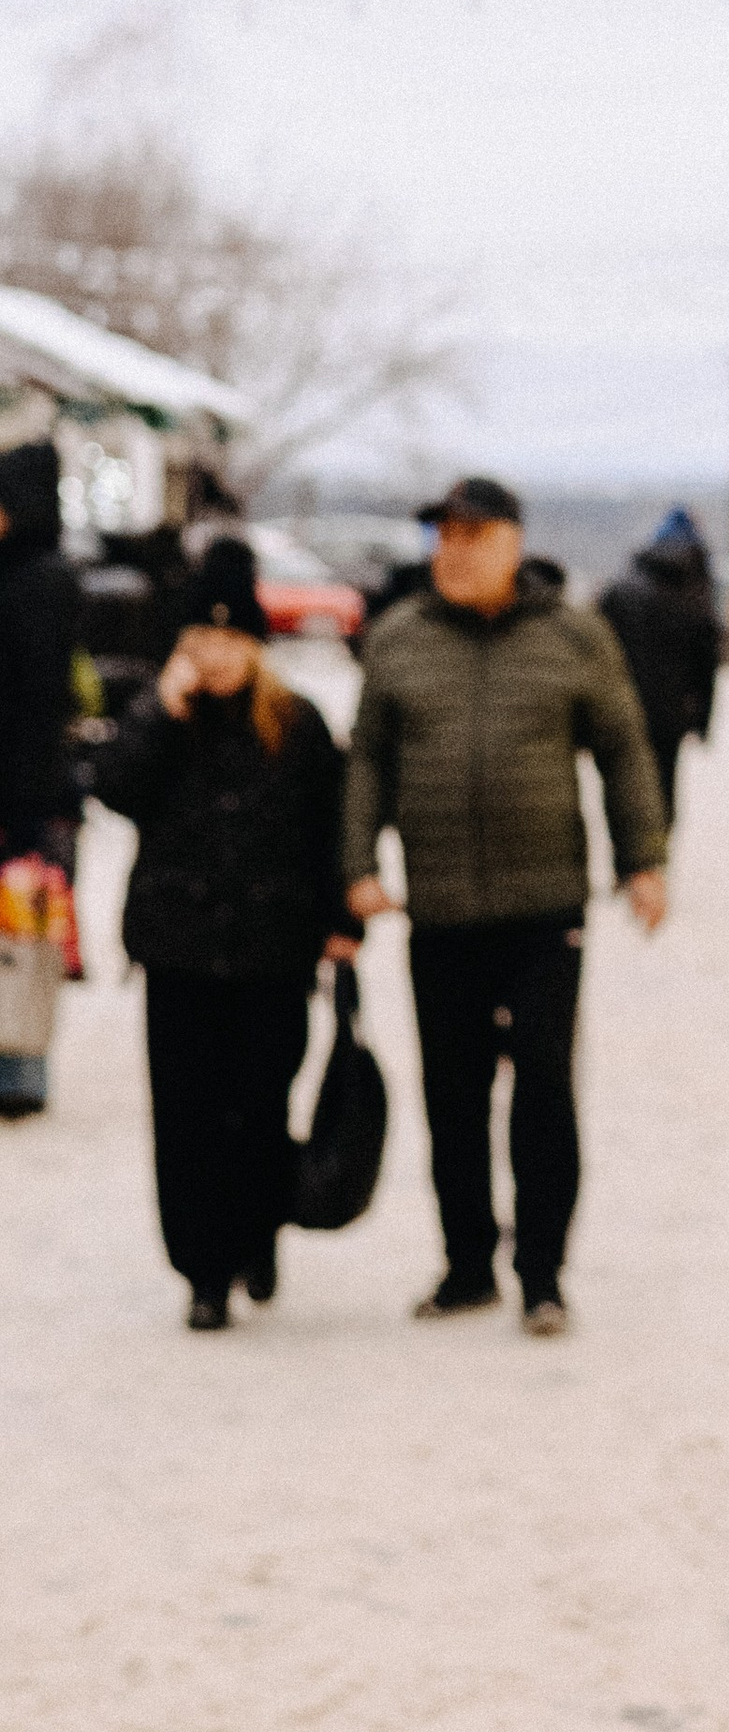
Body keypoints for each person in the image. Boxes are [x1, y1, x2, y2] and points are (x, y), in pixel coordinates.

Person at [344, 473, 667, 1335]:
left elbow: (624, 748)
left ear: (512, 543)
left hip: (544, 906)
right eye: (442, 536)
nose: (451, 550)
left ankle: (543, 1272)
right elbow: (368, 756)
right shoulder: (399, 637)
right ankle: (465, 1264)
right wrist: (356, 859)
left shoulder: (574, 635)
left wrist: (644, 859)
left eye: (469, 535)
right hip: (440, 906)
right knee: (451, 1094)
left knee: (544, 1094)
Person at [89, 538, 358, 1330]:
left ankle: (258, 1232)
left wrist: (340, 920)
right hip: (177, 949)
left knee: (260, 1105)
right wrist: (156, 714)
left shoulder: (297, 723)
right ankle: (204, 1270)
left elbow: (329, 828)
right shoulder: (164, 717)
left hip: (274, 948)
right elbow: (113, 792)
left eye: (225, 640)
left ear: (253, 643)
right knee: (186, 1114)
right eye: (196, 641)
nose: (210, 657)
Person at [0, 440, 86, 1121]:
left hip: (22, 791)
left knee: (22, 932)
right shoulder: (43, 575)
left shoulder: (35, 582)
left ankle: (20, 1068)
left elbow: (32, 702)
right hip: (32, 786)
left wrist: (22, 802)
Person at [598, 507, 723, 830]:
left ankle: (629, 863)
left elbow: (596, 655)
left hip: (623, 703)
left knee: (622, 782)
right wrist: (703, 719)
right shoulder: (695, 598)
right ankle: (656, 860)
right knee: (664, 781)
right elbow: (706, 665)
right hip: (672, 711)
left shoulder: (619, 592)